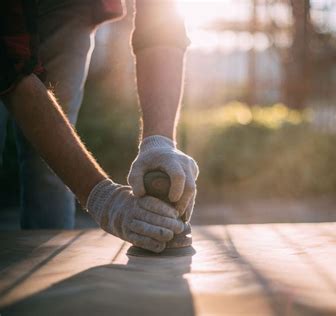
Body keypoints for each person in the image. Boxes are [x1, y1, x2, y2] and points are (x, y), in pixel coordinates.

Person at [0, 0, 198, 253]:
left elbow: (162, 23)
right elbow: (10, 65)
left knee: (48, 166)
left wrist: (159, 141)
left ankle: (46, 263)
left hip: (69, 7)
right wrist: (102, 198)